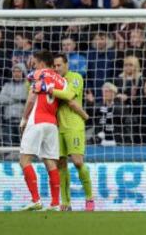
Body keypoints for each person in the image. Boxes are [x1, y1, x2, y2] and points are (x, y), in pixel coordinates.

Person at [19, 51, 67, 211]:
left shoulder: (37, 74)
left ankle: (36, 200)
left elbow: (32, 97)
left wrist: (24, 118)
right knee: (50, 162)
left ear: (41, 63)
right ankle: (55, 203)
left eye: (34, 63)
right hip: (52, 123)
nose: (33, 65)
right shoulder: (62, 80)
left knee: (24, 159)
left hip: (37, 120)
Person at [51, 53, 93, 211]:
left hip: (74, 126)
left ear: (66, 64)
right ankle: (66, 203)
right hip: (57, 127)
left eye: (59, 65)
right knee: (61, 164)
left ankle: (89, 198)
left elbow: (69, 96)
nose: (56, 68)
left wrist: (50, 90)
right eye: (54, 66)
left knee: (77, 161)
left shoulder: (75, 77)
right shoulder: (53, 81)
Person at [0, 63, 28, 147]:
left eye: (19, 71)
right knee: (8, 146)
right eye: (14, 71)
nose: (16, 74)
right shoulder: (7, 85)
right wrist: (18, 99)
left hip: (23, 121)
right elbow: (0, 99)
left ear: (23, 73)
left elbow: (26, 97)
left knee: (23, 147)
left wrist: (10, 97)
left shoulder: (27, 85)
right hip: (9, 121)